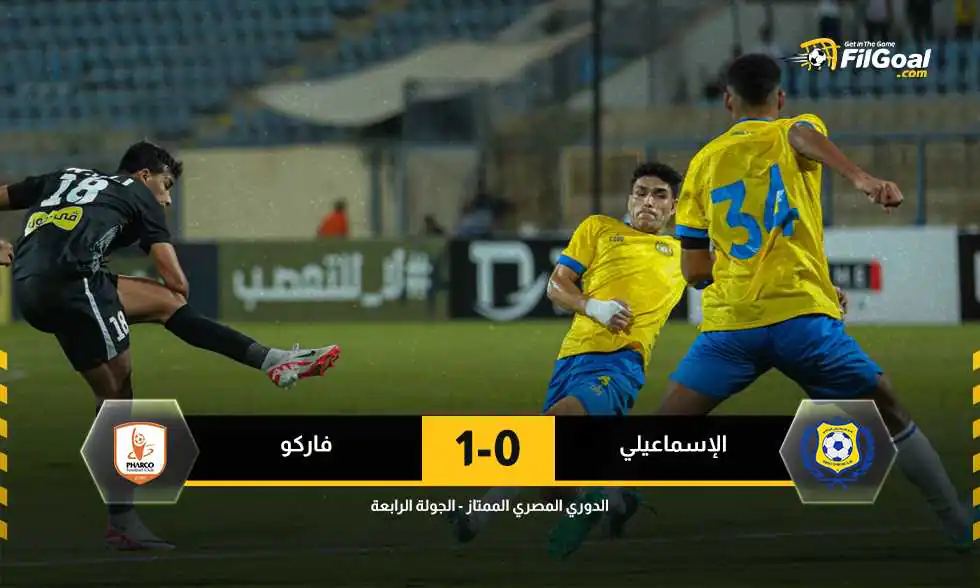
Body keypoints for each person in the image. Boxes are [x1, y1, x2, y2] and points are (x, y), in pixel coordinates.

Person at [664, 53, 976, 552]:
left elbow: (696, 273)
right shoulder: (794, 128)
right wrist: (861, 179)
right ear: (781, 97)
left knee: (659, 432)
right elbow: (801, 136)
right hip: (801, 320)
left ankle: (607, 499)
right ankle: (958, 523)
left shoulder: (701, 164)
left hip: (731, 328)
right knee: (890, 410)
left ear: (727, 101)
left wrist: (740, 271)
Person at [0, 141, 341, 550]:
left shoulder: (64, 177)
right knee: (123, 387)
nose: (167, 198)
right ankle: (123, 521)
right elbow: (178, 283)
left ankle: (272, 359)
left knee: (120, 380)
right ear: (144, 176)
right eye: (166, 185)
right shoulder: (138, 196)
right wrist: (149, 248)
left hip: (30, 286)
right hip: (75, 284)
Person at [448, 162, 687, 559]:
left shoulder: (683, 255)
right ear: (630, 198)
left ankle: (476, 516)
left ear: (674, 206)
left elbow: (741, 270)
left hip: (620, 363)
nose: (648, 201)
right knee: (556, 489)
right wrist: (593, 306)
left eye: (659, 195)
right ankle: (617, 500)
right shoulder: (598, 228)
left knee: (554, 424)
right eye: (641, 192)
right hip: (571, 360)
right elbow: (556, 286)